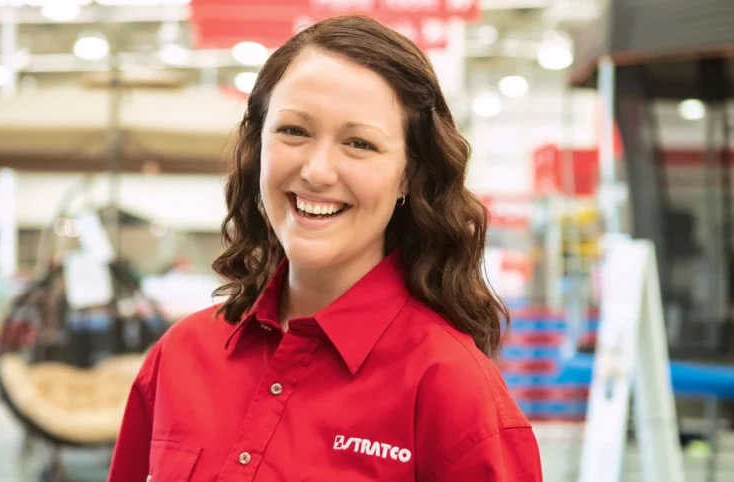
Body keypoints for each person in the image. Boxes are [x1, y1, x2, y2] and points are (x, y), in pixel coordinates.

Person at [108, 15, 543, 482]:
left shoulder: (453, 390)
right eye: (294, 131)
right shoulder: (180, 359)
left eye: (359, 143)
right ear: (258, 147)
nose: (317, 171)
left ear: (409, 176)